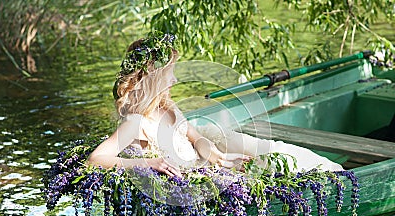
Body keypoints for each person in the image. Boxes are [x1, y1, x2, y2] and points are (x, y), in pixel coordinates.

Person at [88, 32, 343, 176]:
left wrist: (217, 156)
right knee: (266, 166)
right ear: (154, 78)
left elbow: (196, 137)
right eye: (170, 73)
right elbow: (96, 158)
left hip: (211, 152)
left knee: (276, 153)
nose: (175, 79)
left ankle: (335, 172)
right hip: (197, 172)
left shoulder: (168, 107)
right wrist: (147, 163)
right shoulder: (136, 123)